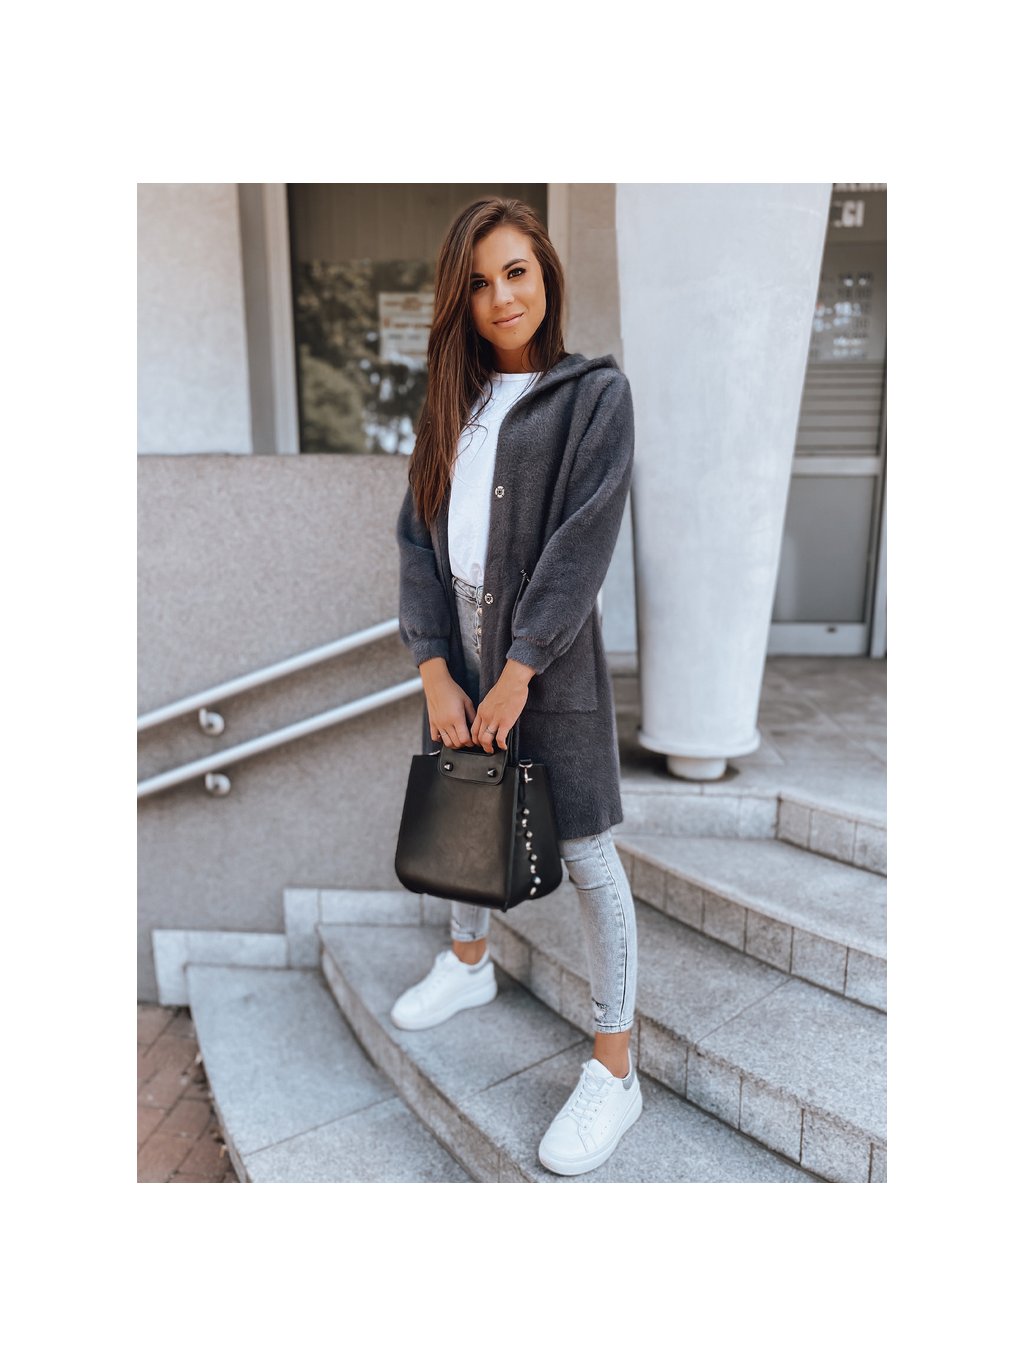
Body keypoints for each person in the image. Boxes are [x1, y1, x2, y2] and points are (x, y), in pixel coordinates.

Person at [392, 196, 640, 1177]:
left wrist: (520, 668)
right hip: (457, 646)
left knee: (587, 855)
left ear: (545, 274)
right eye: (480, 282)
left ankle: (615, 1069)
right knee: (464, 809)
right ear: (459, 300)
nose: (501, 296)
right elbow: (416, 538)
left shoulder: (593, 395)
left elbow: (584, 540)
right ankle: (467, 965)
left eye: (517, 272)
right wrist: (434, 667)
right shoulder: (447, 403)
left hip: (549, 654)